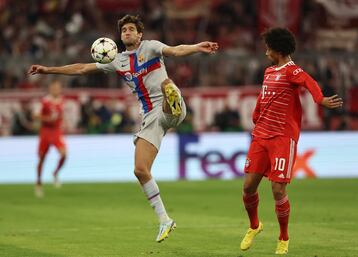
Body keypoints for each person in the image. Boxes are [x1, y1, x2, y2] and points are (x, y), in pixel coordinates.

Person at [28, 14, 218, 242]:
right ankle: (165, 220)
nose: (127, 32)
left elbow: (176, 51)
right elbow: (81, 68)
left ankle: (174, 100)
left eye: (131, 29)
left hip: (167, 109)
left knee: (167, 85)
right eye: (123, 30)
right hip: (151, 119)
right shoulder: (116, 61)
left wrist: (197, 47)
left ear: (140, 34)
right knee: (140, 170)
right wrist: (48, 70)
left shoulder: (152, 47)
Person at [239, 28, 342, 255]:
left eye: (268, 47)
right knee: (248, 187)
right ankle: (254, 225)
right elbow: (263, 95)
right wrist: (256, 114)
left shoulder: (291, 70)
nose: (265, 51)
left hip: (282, 138)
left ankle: (283, 237)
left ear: (277, 49)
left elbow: (308, 81)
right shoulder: (268, 72)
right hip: (261, 136)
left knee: (277, 189)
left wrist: (320, 99)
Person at [34, 80, 67, 197]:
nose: (56, 90)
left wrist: (64, 122)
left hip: (57, 131)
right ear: (50, 89)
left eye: (58, 88)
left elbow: (61, 115)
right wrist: (47, 119)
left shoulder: (62, 100)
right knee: (42, 158)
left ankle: (55, 173)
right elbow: (35, 115)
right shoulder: (44, 101)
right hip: (46, 132)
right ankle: (38, 183)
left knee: (64, 154)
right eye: (54, 88)